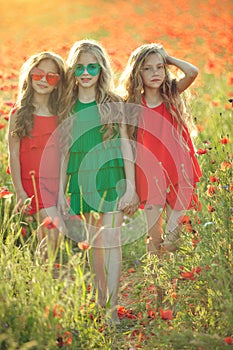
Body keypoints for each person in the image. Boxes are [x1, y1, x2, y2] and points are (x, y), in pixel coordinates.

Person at [60, 39, 139, 324]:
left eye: (92, 66)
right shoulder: (66, 105)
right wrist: (60, 192)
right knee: (95, 244)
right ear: (73, 70)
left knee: (112, 240)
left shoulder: (113, 103)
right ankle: (100, 297)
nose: (85, 72)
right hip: (83, 179)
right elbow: (63, 152)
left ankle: (113, 308)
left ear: (101, 68)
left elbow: (127, 145)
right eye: (80, 67)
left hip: (112, 176)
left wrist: (131, 187)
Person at [118, 43, 202, 258]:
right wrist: (131, 186)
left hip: (178, 172)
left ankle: (170, 282)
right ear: (137, 72)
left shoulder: (171, 94)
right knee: (154, 240)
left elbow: (192, 72)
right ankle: (157, 289)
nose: (154, 73)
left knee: (173, 240)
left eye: (159, 67)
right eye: (147, 68)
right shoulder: (131, 106)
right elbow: (126, 145)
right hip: (149, 176)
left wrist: (168, 57)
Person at [8, 51, 68, 262]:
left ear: (58, 82)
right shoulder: (20, 112)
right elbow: (13, 153)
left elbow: (63, 156)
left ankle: (39, 276)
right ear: (30, 74)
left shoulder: (60, 113)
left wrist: (61, 191)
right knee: (53, 231)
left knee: (52, 235)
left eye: (51, 76)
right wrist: (19, 191)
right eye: (38, 74)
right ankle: (40, 275)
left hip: (52, 183)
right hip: (31, 182)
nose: (44, 80)